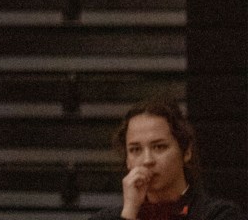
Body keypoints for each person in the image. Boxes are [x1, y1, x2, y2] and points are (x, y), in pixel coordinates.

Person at [89, 94, 246, 220]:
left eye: (159, 147)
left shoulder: (219, 214)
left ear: (186, 152)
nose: (147, 160)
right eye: (135, 149)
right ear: (127, 160)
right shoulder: (108, 217)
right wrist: (129, 211)